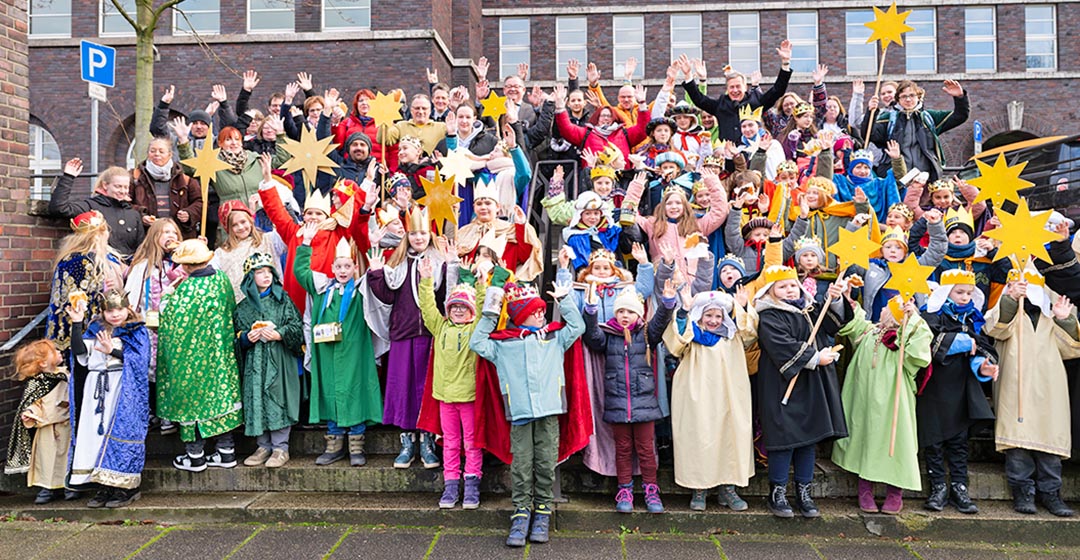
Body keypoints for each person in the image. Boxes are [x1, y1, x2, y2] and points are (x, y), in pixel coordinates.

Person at [470, 280, 585, 547]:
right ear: (521, 316)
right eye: (536, 312)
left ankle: (543, 511)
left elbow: (578, 326)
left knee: (545, 462)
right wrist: (491, 311)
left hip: (549, 411)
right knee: (521, 466)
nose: (542, 315)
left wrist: (565, 300)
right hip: (520, 412)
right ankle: (521, 513)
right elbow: (477, 342)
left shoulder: (554, 338)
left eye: (543, 310)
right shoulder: (502, 345)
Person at [755, 266, 851, 518]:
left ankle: (804, 492)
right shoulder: (769, 315)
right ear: (771, 291)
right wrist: (814, 357)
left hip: (811, 384)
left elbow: (832, 325)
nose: (789, 290)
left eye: (792, 285)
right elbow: (780, 344)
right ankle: (777, 492)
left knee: (808, 438)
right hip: (781, 383)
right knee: (783, 440)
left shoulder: (810, 309)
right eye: (782, 286)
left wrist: (836, 297)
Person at [984, 268, 1078, 517]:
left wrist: (1065, 319)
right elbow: (994, 328)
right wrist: (1010, 299)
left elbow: (1072, 348)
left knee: (1050, 440)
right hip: (1017, 386)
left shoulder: (1051, 318)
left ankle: (1051, 492)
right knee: (1018, 441)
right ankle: (1022, 490)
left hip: (1050, 388)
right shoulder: (1010, 314)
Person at [832, 296, 932, 515]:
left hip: (894, 399)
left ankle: (895, 491)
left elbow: (920, 353)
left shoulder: (904, 339)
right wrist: (846, 300)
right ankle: (865, 488)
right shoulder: (869, 332)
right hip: (864, 397)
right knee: (865, 436)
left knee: (895, 441)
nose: (883, 308)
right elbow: (853, 324)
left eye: (888, 306)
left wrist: (912, 319)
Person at [582, 283, 676, 514]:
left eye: (630, 312)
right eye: (621, 311)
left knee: (645, 449)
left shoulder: (645, 334)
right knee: (622, 449)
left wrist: (667, 303)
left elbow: (660, 323)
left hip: (644, 404)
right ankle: (624, 489)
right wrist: (591, 310)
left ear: (638, 314)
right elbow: (592, 337)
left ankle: (651, 490)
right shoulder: (608, 335)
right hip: (617, 403)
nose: (625, 316)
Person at [363, 208, 445, 470]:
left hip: (430, 335)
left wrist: (452, 265)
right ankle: (407, 440)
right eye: (413, 233)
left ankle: (427, 439)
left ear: (429, 234)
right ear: (406, 236)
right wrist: (376, 273)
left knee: (426, 390)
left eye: (422, 233)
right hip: (403, 334)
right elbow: (387, 296)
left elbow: (445, 294)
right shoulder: (397, 264)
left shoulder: (439, 262)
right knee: (404, 388)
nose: (418, 238)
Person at [295, 225, 383, 467]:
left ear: (355, 268)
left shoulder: (361, 290)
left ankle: (356, 443)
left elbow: (379, 282)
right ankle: (334, 443)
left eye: (348, 266)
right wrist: (307, 243)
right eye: (339, 266)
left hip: (356, 352)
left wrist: (374, 247)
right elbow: (300, 271)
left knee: (356, 392)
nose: (343, 271)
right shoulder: (323, 289)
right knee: (331, 392)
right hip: (328, 351)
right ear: (332, 268)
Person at [664, 286, 757, 512]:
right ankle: (699, 488)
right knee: (699, 435)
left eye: (718, 316)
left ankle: (728, 487)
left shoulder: (732, 335)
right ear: (701, 316)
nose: (714, 320)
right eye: (708, 315)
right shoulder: (693, 335)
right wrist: (685, 310)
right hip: (698, 394)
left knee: (730, 436)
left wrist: (742, 305)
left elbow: (750, 332)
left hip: (729, 394)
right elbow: (676, 342)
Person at [158, 239, 243, 473]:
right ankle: (226, 452)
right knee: (221, 399)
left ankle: (195, 456)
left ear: (185, 266)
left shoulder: (185, 290)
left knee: (192, 405)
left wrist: (166, 296)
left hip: (191, 361)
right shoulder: (222, 280)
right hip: (220, 355)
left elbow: (169, 321)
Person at [918, 269, 999, 514]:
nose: (965, 297)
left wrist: (983, 366)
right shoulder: (932, 315)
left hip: (963, 386)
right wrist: (962, 342)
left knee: (959, 440)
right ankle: (938, 486)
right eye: (959, 292)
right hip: (935, 386)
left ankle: (960, 487)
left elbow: (983, 347)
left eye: (969, 293)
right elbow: (928, 342)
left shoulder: (973, 319)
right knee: (934, 439)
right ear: (946, 292)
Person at [65, 289, 151, 509]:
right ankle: (103, 486)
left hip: (123, 388)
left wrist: (113, 350)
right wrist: (77, 324)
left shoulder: (136, 331)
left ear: (128, 308)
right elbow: (79, 354)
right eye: (110, 310)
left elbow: (140, 363)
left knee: (119, 433)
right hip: (97, 388)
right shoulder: (94, 330)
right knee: (94, 436)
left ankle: (125, 488)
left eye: (119, 309)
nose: (115, 314)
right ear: (103, 311)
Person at [418, 259, 486, 509]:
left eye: (463, 307)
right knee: (449, 441)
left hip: (468, 396)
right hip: (445, 397)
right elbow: (427, 309)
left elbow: (483, 308)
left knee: (471, 442)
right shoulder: (441, 327)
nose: (458, 310)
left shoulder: (474, 331)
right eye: (454, 306)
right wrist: (426, 281)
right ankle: (451, 484)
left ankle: (472, 484)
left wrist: (480, 287)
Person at [234, 253, 304, 469]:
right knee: (257, 399)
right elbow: (235, 337)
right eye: (259, 272)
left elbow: (297, 328)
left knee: (277, 397)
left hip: (279, 359)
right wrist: (246, 338)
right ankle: (263, 445)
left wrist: (280, 333)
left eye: (268, 272)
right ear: (250, 277)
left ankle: (281, 447)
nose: (266, 276)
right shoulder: (242, 308)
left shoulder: (283, 300)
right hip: (255, 363)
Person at [124, 218, 187, 435]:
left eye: (174, 233)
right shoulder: (143, 266)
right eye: (164, 233)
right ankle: (155, 412)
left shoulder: (183, 266)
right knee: (151, 367)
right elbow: (132, 295)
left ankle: (172, 413)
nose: (170, 236)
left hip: (177, 328)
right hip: (149, 326)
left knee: (172, 368)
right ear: (154, 237)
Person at [4, 339, 73, 504]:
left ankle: (68, 484)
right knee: (46, 457)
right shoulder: (36, 383)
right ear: (43, 362)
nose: (60, 352)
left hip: (66, 423)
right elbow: (33, 403)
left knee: (66, 455)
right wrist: (29, 413)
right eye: (55, 352)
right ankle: (47, 486)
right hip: (46, 427)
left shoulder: (66, 375)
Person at [678, 45, 793, 143]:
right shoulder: (720, 105)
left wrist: (785, 63)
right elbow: (699, 99)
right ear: (727, 89)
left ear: (745, 87)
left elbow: (777, 90)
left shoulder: (756, 101)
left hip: (751, 156)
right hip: (727, 157)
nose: (735, 90)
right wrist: (688, 75)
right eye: (731, 87)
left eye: (738, 86)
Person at [863, 79, 970, 182]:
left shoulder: (929, 117)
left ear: (918, 97)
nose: (908, 99)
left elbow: (960, 116)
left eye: (912, 95)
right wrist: (871, 113)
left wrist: (960, 97)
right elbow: (869, 135)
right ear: (898, 100)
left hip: (926, 177)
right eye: (904, 96)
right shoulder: (888, 119)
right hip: (897, 178)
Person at [46, 210, 120, 354]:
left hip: (64, 323)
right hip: (87, 327)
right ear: (99, 235)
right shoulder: (90, 260)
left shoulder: (67, 258)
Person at [48, 160, 147, 258]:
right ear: (105, 185)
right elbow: (59, 208)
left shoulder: (133, 214)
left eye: (126, 187)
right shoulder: (91, 206)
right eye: (118, 186)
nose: (122, 191)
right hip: (98, 268)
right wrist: (68, 177)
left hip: (126, 270)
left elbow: (140, 249)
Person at [455, 181, 544, 283]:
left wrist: (521, 226)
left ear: (498, 207)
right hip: (470, 287)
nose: (483, 207)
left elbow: (524, 256)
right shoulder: (464, 232)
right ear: (474, 208)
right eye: (479, 204)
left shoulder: (509, 229)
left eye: (488, 203)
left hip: (501, 286)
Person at [210, 200, 285, 301]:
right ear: (228, 228)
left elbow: (288, 233)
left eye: (243, 222)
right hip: (242, 308)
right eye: (234, 225)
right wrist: (200, 250)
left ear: (250, 221)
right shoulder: (221, 254)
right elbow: (209, 275)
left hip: (274, 303)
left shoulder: (269, 240)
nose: (240, 227)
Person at [130, 137, 204, 240]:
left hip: (179, 236)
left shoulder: (186, 180)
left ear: (170, 155)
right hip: (146, 237)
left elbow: (201, 203)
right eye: (152, 151)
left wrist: (189, 213)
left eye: (161, 151)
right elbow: (125, 204)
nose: (157, 154)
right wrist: (141, 215)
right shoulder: (135, 177)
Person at [376, 94, 448, 157]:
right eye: (417, 108)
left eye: (424, 108)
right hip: (406, 170)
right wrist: (385, 119)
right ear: (411, 110)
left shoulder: (442, 127)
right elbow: (383, 140)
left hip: (431, 170)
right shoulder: (401, 126)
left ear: (430, 110)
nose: (420, 111)